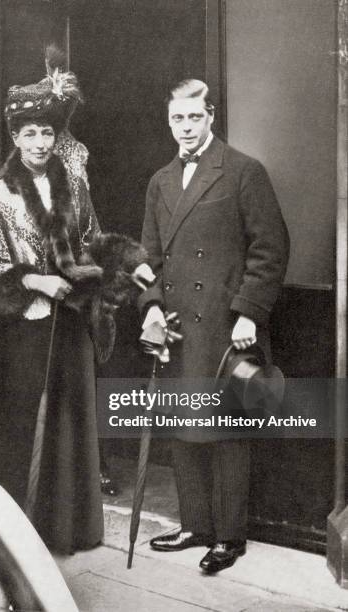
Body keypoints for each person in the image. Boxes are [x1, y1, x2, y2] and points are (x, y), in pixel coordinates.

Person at [138, 79, 289, 572]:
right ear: (169, 122)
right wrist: (154, 307)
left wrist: (248, 311)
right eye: (177, 119)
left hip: (226, 327)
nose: (185, 127)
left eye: (194, 117)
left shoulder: (243, 171)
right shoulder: (160, 180)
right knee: (184, 429)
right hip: (180, 328)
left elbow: (270, 249)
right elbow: (148, 259)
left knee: (225, 432)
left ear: (211, 117)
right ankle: (194, 525)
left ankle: (228, 537)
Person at [0, 62, 105, 554]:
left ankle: (64, 528)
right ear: (14, 136)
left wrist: (85, 279)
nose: (39, 143)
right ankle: (16, 531)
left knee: (65, 425)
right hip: (20, 329)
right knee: (22, 423)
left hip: (67, 321)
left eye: (47, 132)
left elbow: (91, 237)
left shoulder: (73, 183)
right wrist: (35, 280)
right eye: (29, 133)